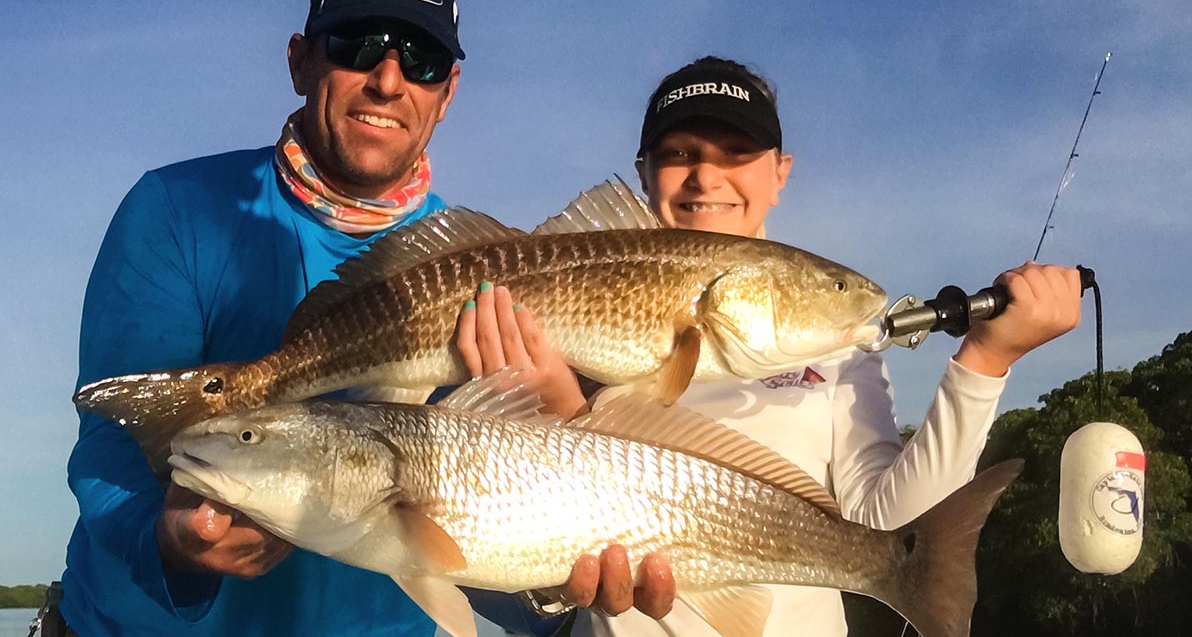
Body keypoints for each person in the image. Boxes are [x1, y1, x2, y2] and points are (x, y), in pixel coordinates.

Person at [60, 0, 671, 635]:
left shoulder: (495, 277)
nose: (388, 78)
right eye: (356, 43)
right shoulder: (176, 210)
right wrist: (172, 542)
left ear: (449, 91)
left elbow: (487, 531)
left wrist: (552, 585)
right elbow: (112, 453)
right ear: (299, 60)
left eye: (422, 59)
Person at [456, 56, 1083, 636]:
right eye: (680, 152)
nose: (706, 175)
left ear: (780, 173)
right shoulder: (544, 323)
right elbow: (482, 547)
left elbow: (890, 531)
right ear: (643, 171)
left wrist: (984, 362)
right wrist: (556, 424)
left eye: (737, 152)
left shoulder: (839, 352)